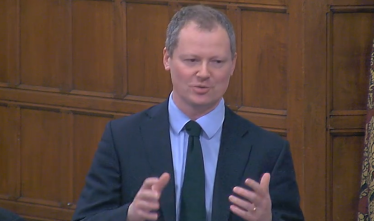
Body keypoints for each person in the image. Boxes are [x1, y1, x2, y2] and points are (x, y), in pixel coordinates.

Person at [72, 4, 304, 221]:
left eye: (217, 62)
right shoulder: (122, 138)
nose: (203, 73)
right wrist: (130, 214)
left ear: (233, 64)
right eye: (192, 60)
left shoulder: (269, 151)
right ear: (167, 59)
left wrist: (269, 219)